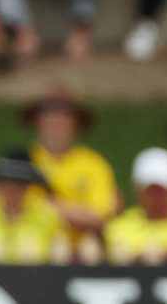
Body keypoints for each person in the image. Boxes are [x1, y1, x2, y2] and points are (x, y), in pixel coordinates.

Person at [22, 87, 119, 238]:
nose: (56, 120)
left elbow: (99, 216)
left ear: (76, 123)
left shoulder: (93, 163)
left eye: (65, 114)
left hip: (80, 249)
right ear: (37, 120)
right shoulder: (22, 160)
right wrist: (76, 212)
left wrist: (47, 205)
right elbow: (6, 207)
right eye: (48, 112)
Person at [104, 147, 167, 256]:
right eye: (151, 190)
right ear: (137, 189)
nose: (158, 197)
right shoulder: (118, 227)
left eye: (164, 191)